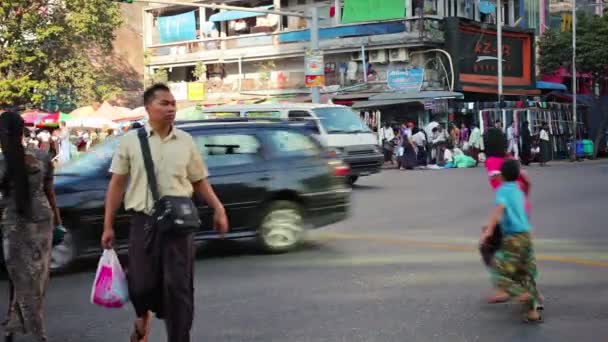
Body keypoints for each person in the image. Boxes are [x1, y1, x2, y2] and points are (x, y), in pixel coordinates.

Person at [101, 84, 229, 342]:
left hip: (178, 225)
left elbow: (199, 180)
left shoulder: (185, 141)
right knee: (140, 285)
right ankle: (143, 316)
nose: (171, 108)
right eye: (164, 103)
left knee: (179, 289)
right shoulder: (130, 141)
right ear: (148, 108)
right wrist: (108, 225)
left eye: (173, 104)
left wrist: (218, 208)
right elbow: (116, 184)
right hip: (143, 223)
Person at [0, 112, 62, 342]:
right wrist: (59, 221)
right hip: (43, 221)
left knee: (20, 280)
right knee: (37, 278)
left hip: (13, 225)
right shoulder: (41, 156)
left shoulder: (3, 162)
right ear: (22, 131)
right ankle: (14, 328)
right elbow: (50, 192)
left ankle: (36, 333)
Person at [480, 159, 542, 322]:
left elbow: (499, 210)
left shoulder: (503, 190)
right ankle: (533, 312)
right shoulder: (518, 189)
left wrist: (489, 230)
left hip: (513, 238)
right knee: (525, 273)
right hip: (526, 236)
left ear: (502, 175)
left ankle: (522, 294)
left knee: (500, 274)